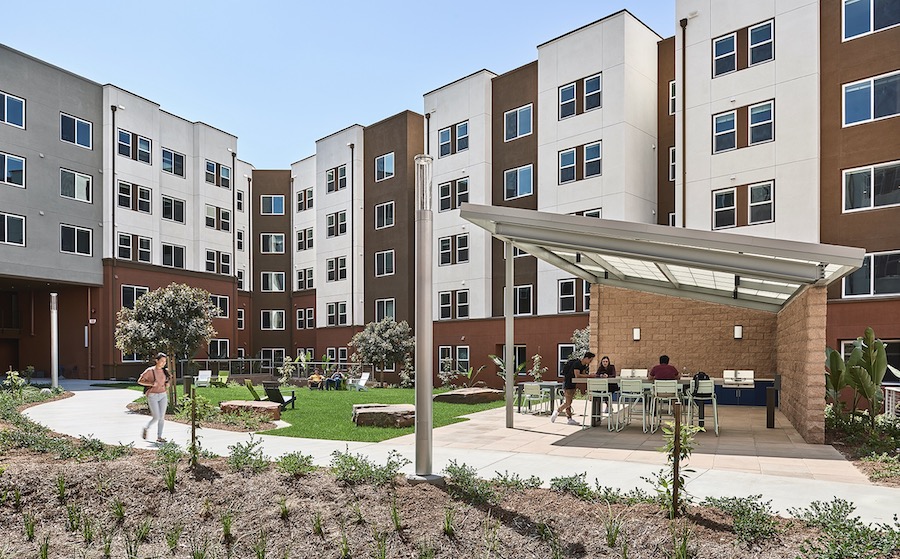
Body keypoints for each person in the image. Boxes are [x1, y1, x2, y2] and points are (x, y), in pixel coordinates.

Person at [551, 351, 595, 425]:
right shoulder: (577, 363)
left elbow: (583, 375)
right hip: (568, 383)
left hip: (573, 384)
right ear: (586, 358)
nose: (590, 362)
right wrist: (589, 376)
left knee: (569, 402)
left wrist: (589, 375)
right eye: (590, 360)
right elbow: (577, 375)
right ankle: (557, 412)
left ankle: (569, 419)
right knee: (568, 402)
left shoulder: (584, 365)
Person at [137, 352, 170, 443]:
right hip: (153, 396)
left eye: (165, 361)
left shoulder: (165, 371)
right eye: (162, 361)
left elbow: (166, 382)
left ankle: (159, 437)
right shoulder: (150, 371)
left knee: (162, 417)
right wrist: (151, 384)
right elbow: (139, 381)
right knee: (156, 417)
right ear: (157, 361)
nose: (164, 363)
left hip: (163, 395)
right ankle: (146, 428)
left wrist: (167, 384)